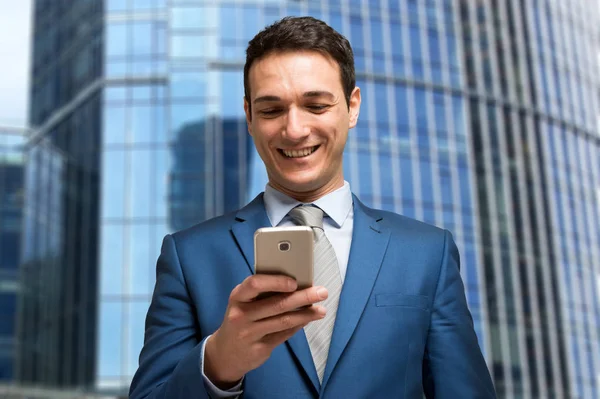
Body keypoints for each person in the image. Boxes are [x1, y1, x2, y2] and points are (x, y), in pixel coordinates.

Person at [129, 16, 496, 399]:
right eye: (272, 110)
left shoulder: (426, 253)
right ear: (249, 116)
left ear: (352, 107)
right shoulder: (189, 257)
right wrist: (218, 365)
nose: (295, 130)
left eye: (316, 105)